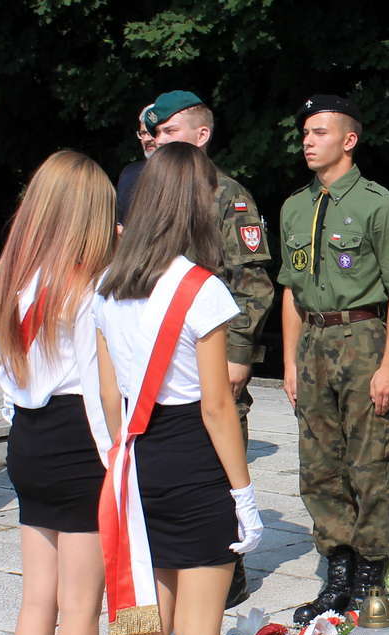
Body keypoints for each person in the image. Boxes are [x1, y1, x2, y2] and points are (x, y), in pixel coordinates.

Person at [95, 142, 263, 635]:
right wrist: (244, 495)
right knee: (197, 634)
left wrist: (123, 463)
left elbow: (109, 397)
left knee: (143, 631)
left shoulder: (107, 285)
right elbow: (220, 405)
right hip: (194, 460)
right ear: (197, 207)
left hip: (135, 459)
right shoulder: (203, 288)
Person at [0, 150, 133, 635]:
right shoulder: (93, 285)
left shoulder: (7, 279)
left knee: (35, 601)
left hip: (29, 437)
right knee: (81, 605)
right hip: (79, 440)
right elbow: (109, 383)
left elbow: (5, 372)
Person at [277, 95, 389, 624]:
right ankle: (336, 575)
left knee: (369, 463)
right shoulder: (295, 206)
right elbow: (290, 290)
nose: (308, 141)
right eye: (305, 133)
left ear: (348, 140)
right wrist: (290, 363)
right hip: (312, 341)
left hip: (361, 338)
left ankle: (369, 580)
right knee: (319, 465)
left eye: (318, 132)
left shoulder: (380, 206)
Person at [143, 89, 275, 608]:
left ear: (202, 136)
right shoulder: (151, 193)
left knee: (221, 457)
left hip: (212, 349)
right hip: (159, 358)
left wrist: (237, 352)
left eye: (170, 132)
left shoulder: (229, 196)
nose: (159, 142)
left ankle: (229, 568)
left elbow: (252, 281)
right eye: (155, 133)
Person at [116, 103, 156, 227]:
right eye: (143, 133)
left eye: (152, 132)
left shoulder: (184, 173)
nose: (147, 139)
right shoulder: (129, 174)